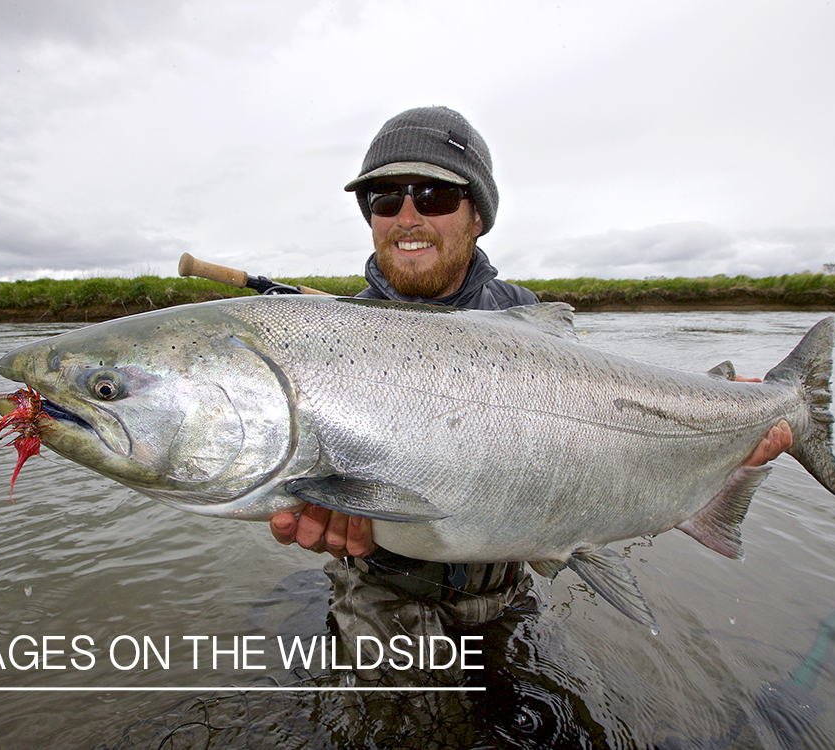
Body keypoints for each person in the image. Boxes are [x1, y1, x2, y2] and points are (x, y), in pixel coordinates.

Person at [268, 106, 793, 674]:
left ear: (478, 216)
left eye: (435, 196)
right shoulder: (331, 344)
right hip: (380, 589)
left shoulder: (531, 322)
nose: (407, 216)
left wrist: (729, 424)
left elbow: (619, 427)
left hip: (508, 585)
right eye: (385, 199)